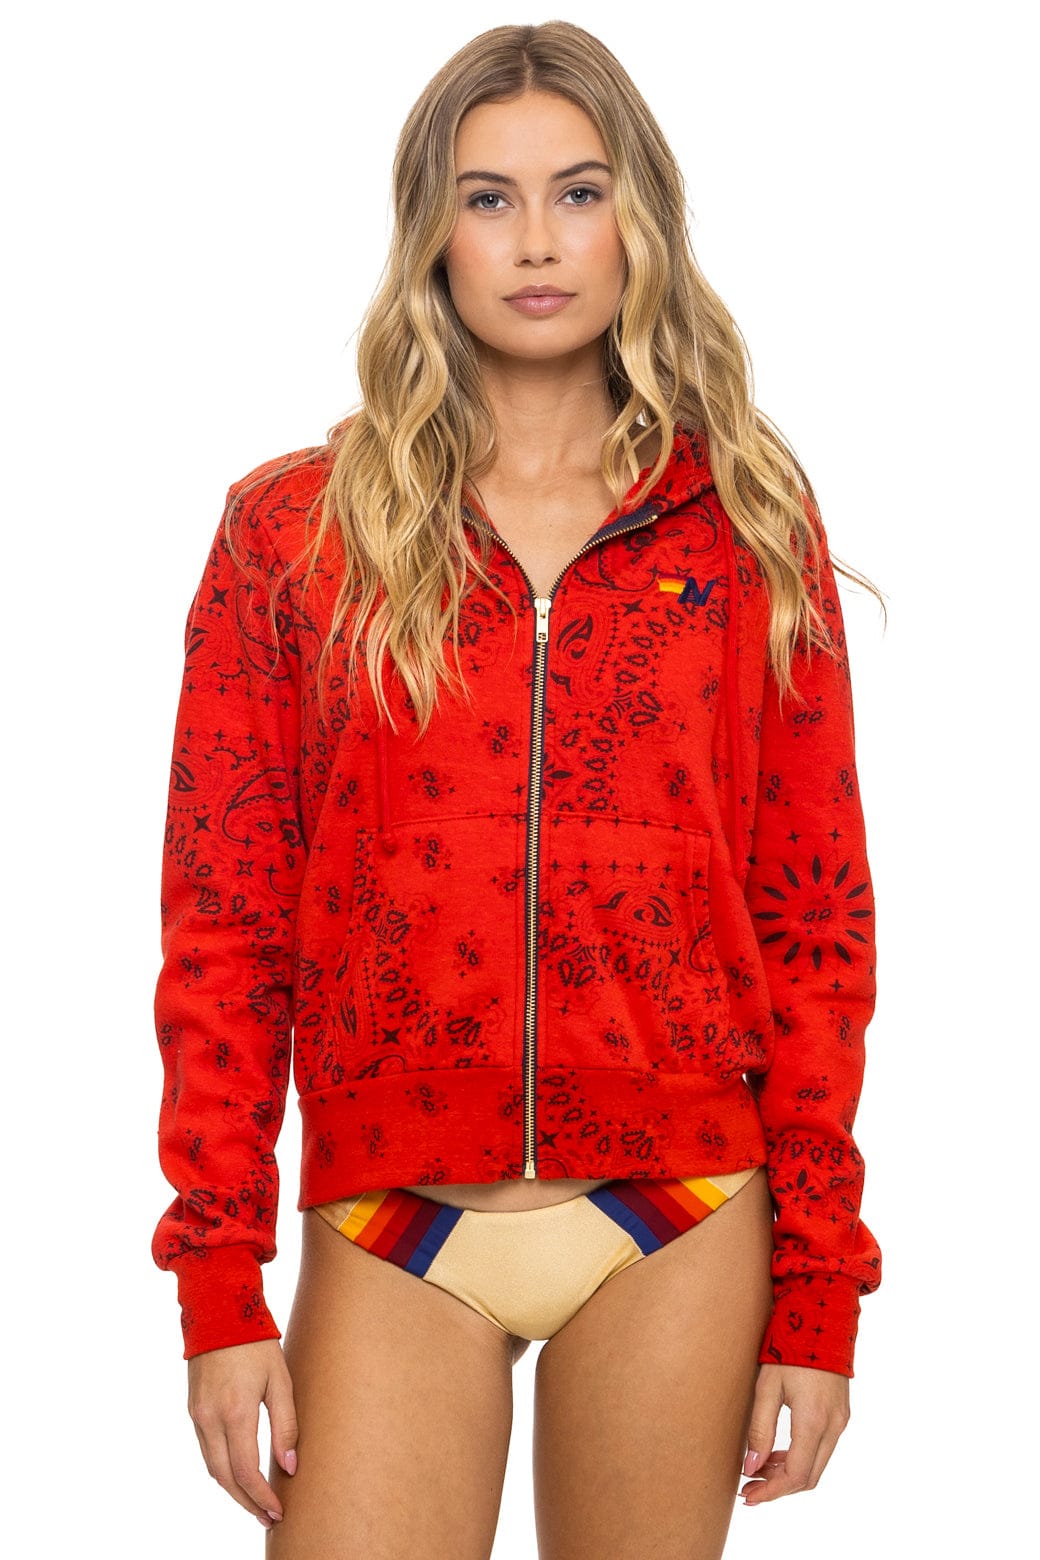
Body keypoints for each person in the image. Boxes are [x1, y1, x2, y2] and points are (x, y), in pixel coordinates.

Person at [152, 20, 882, 1559]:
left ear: (639, 221)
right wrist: (219, 1286)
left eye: (579, 192)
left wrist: (820, 1289)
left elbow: (817, 925)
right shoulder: (295, 533)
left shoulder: (742, 523)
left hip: (683, 1208)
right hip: (396, 1214)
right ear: (432, 232)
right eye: (489, 199)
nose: (536, 242)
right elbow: (225, 930)